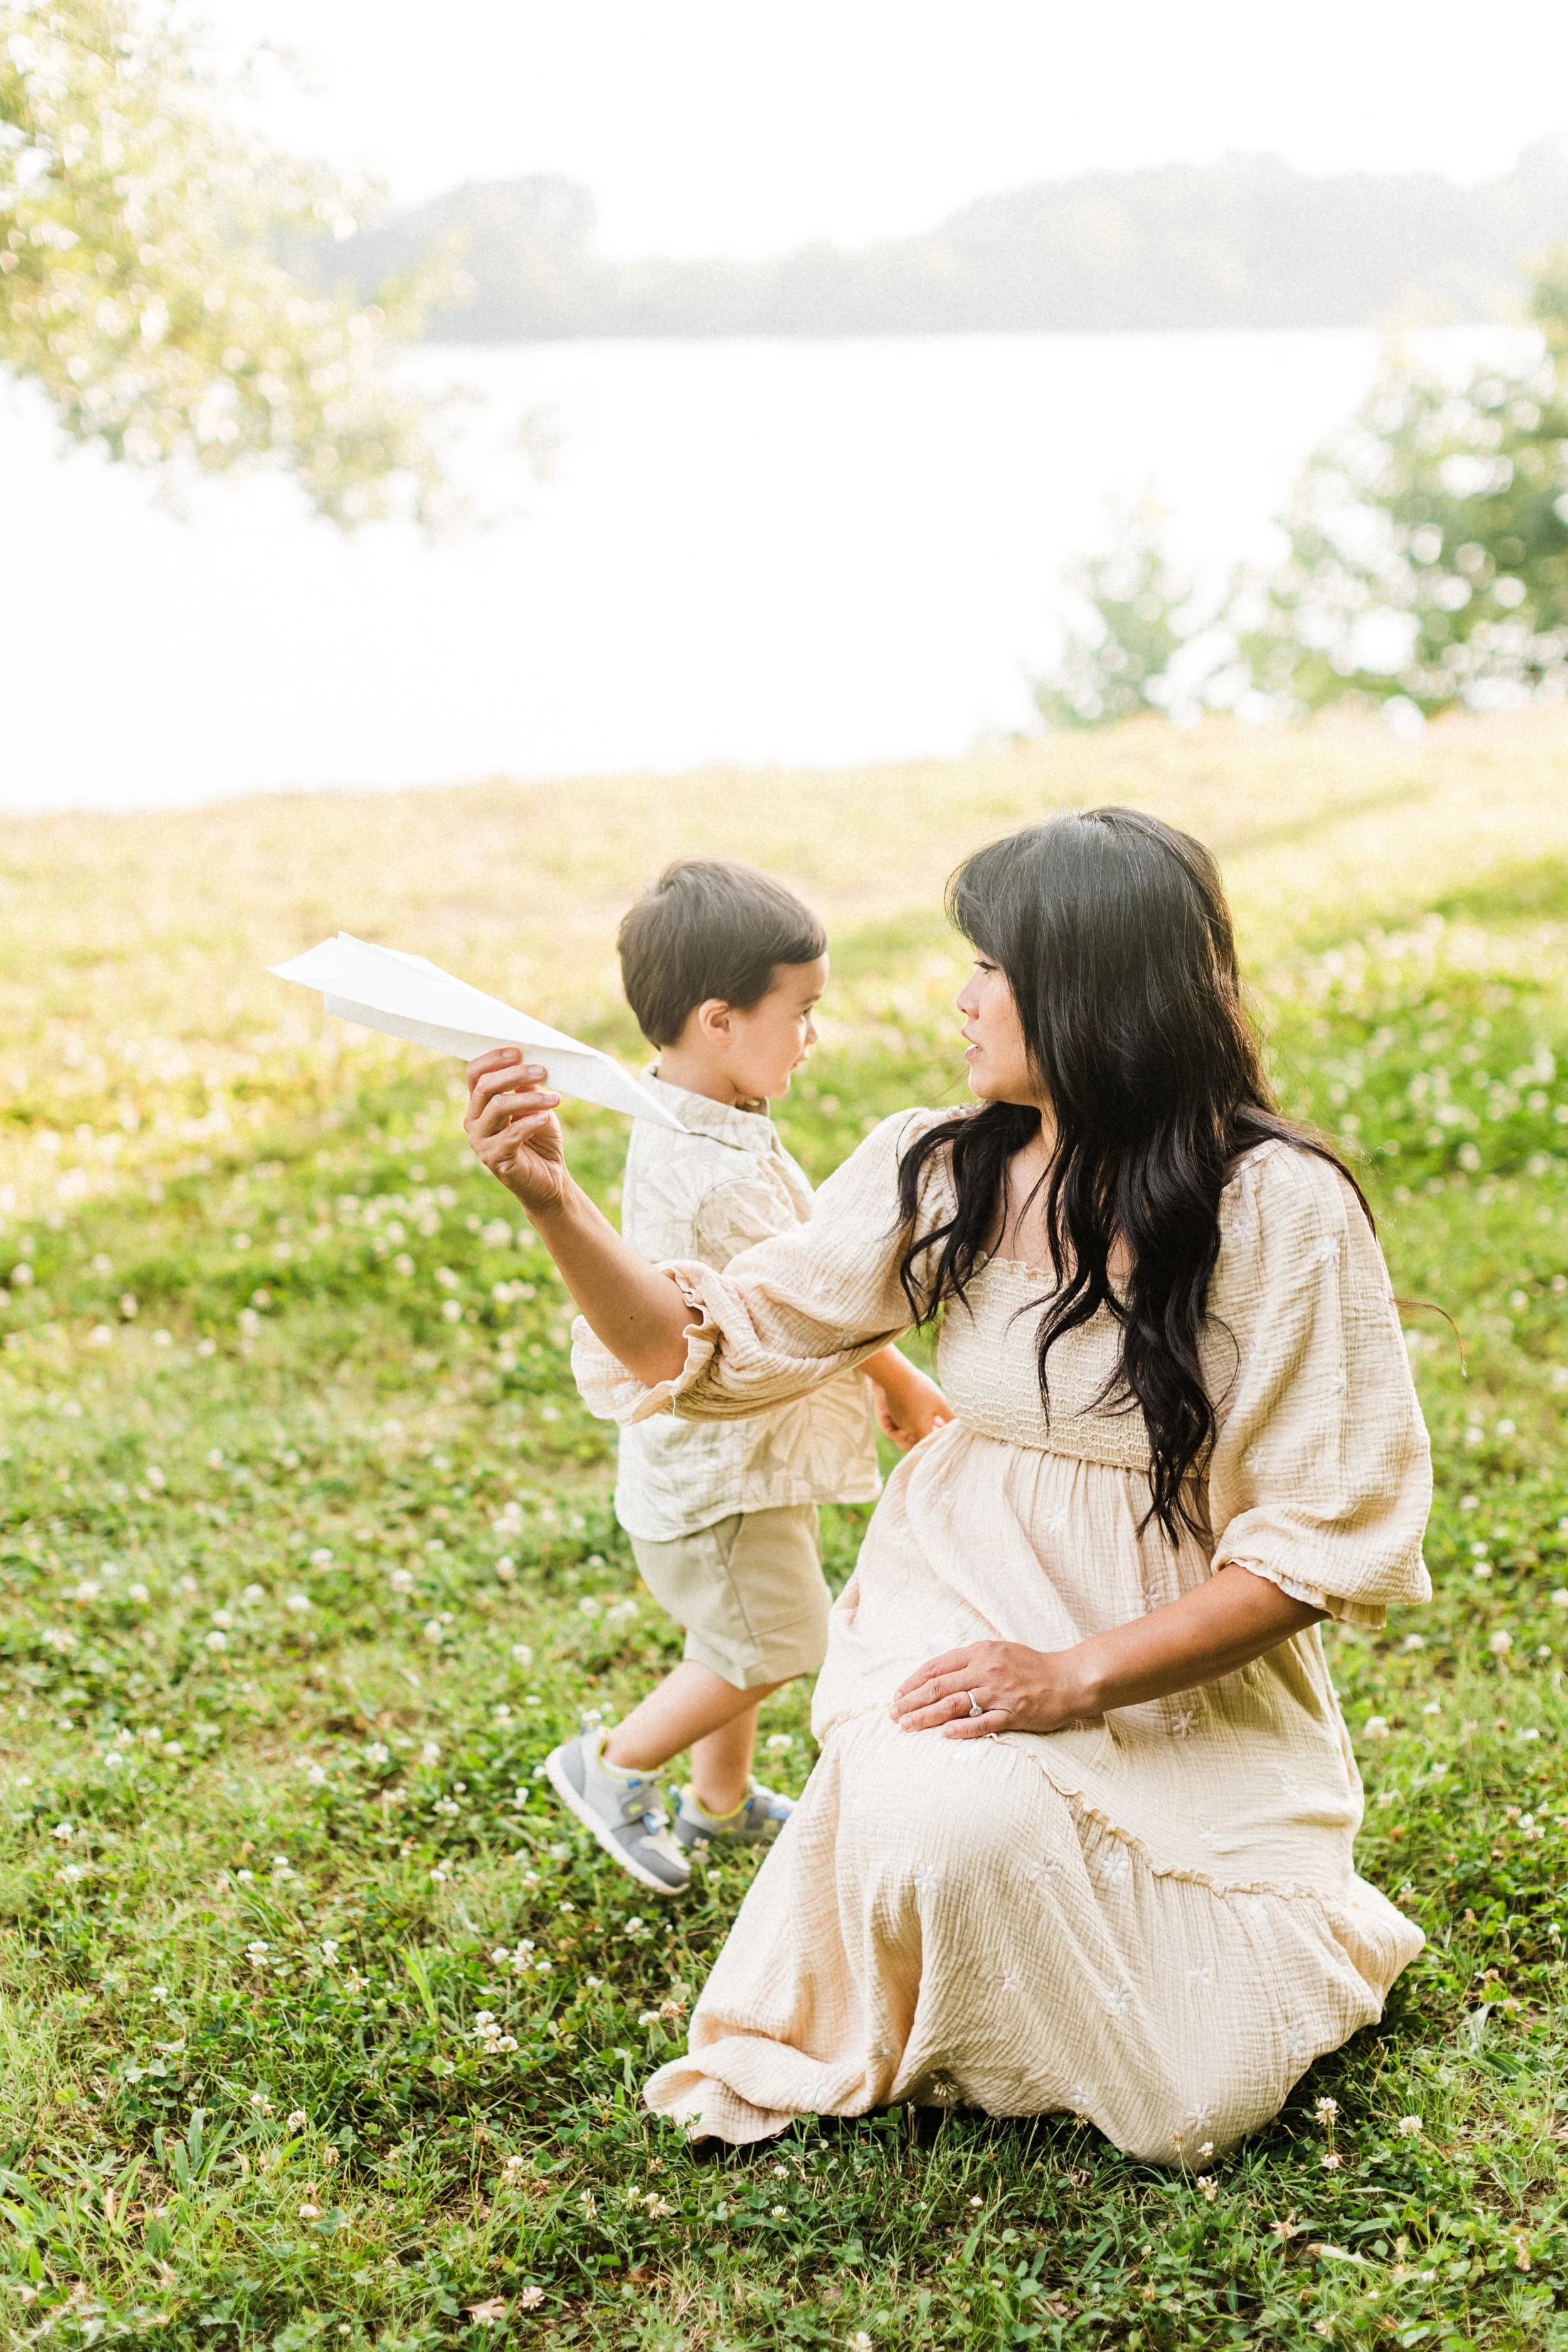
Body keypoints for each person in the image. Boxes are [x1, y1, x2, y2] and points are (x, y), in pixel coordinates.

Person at [462, 809, 1433, 2163]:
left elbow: (1317, 1545)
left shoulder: (1274, 1204)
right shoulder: (944, 1163)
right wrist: (555, 1204)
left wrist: (1075, 1677)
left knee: (1199, 2090)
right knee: (950, 1832)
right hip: (960, 1589)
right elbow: (704, 1348)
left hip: (1160, 1646)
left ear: (1092, 986)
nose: (962, 995)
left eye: (993, 965)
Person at [541, 858, 950, 1899]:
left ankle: (717, 1808)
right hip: (720, 1474)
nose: (813, 1035)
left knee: (741, 1631)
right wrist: (896, 1380)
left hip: (747, 1464)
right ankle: (614, 1764)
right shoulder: (713, 1170)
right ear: (719, 1021)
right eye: (802, 1011)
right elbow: (812, 1302)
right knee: (776, 1638)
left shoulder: (700, 1118)